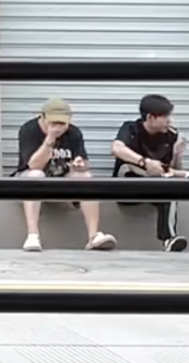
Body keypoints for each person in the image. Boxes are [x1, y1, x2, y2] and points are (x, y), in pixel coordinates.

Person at [15, 99, 116, 253]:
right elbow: (34, 165)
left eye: (62, 123)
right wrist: (49, 140)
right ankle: (33, 235)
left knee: (85, 177)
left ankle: (93, 236)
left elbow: (85, 162)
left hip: (61, 179)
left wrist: (80, 164)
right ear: (42, 117)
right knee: (36, 175)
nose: (58, 127)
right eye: (53, 123)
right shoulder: (29, 130)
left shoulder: (74, 133)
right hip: (30, 179)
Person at [112, 95, 188, 252]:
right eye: (165, 117)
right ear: (150, 117)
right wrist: (145, 163)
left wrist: (177, 154)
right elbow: (116, 149)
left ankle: (168, 239)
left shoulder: (170, 135)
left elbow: (169, 169)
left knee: (171, 187)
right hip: (126, 189)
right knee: (127, 166)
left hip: (154, 187)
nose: (170, 121)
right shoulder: (131, 128)